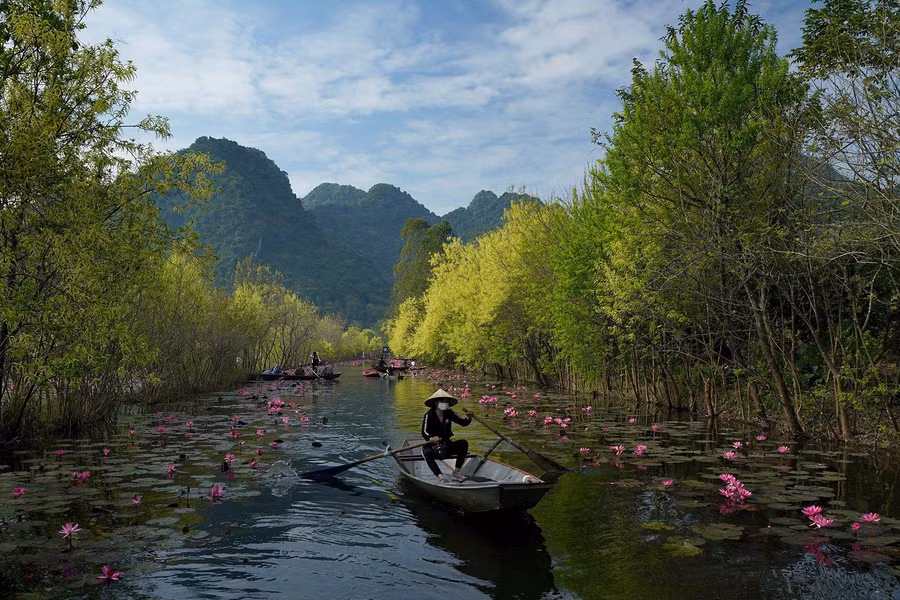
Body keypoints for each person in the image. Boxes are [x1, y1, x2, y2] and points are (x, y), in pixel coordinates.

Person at [421, 388, 472, 483]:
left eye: (446, 401)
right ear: (436, 402)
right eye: (442, 401)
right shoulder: (429, 415)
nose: (444, 403)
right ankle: (441, 477)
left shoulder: (449, 413)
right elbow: (424, 432)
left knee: (463, 443)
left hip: (446, 444)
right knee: (426, 452)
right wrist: (431, 438)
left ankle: (456, 472)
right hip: (432, 445)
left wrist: (468, 418)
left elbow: (463, 422)